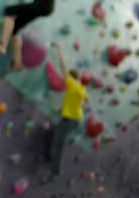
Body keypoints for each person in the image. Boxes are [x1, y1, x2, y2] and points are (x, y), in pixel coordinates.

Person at [46, 42, 88, 181]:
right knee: (56, 133)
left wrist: (58, 49)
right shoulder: (80, 88)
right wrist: (61, 110)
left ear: (72, 78)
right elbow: (80, 101)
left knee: (59, 143)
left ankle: (55, 171)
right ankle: (50, 156)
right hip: (76, 119)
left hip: (71, 120)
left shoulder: (72, 83)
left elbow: (63, 65)